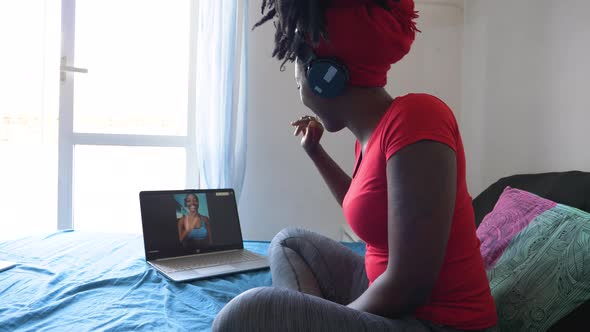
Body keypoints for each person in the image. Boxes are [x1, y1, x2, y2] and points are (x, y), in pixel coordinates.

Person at [213, 0, 498, 331]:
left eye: (299, 83)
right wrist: (314, 151)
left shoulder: (417, 119)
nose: (301, 94)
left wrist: (338, 317)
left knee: (246, 313)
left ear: (324, 78)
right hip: (387, 297)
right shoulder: (371, 138)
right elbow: (368, 206)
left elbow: (410, 285)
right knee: (289, 243)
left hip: (437, 322)